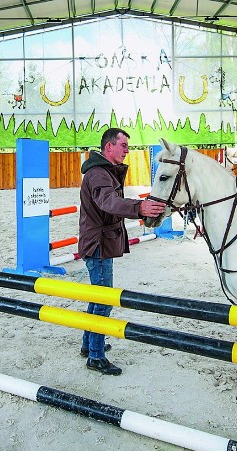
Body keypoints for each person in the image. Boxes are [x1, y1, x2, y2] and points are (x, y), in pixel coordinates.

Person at [78, 128, 166, 375]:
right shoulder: (98, 174)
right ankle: (95, 356)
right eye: (124, 146)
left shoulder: (102, 171)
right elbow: (109, 202)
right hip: (98, 245)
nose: (127, 150)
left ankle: (89, 345)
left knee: (98, 297)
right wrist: (140, 208)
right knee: (104, 300)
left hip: (99, 242)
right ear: (109, 147)